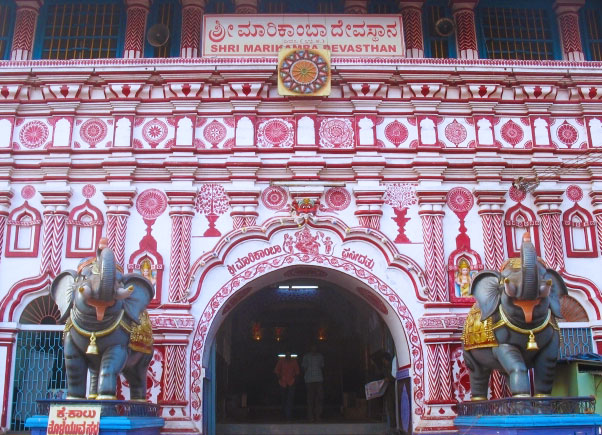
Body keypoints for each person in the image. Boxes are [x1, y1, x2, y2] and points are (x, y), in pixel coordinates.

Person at [302, 344, 324, 422]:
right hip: (309, 380)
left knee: (319, 398)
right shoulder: (306, 357)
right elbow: (304, 368)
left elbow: (322, 366)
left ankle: (318, 416)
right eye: (312, 346)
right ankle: (310, 416)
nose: (313, 348)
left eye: (315, 346)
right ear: (310, 347)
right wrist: (306, 377)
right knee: (310, 399)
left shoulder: (320, 356)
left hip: (318, 379)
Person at [274, 353, 299, 420]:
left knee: (290, 399)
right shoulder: (281, 361)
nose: (288, 355)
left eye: (289, 354)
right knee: (283, 399)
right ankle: (283, 415)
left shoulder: (294, 361)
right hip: (283, 383)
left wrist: (294, 381)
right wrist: (279, 378)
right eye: (287, 354)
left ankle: (289, 415)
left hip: (291, 382)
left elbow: (297, 372)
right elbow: (276, 371)